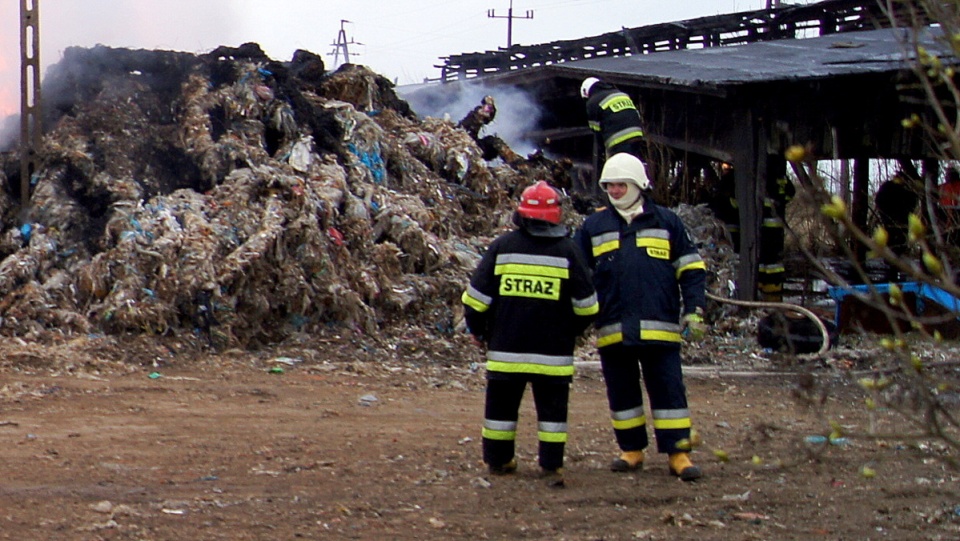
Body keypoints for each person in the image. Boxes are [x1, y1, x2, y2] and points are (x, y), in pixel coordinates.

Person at [574, 152, 707, 482]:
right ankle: (631, 451)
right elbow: (576, 273)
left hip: (660, 329)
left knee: (669, 393)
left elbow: (691, 270)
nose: (615, 191)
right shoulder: (594, 226)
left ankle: (679, 454)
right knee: (622, 394)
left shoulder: (666, 222)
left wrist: (694, 312)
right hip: (614, 329)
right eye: (610, 186)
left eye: (621, 185)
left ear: (638, 185)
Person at [462, 180, 599, 487]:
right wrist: (570, 333)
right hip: (553, 355)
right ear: (557, 215)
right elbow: (588, 307)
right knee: (552, 415)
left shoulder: (502, 247)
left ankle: (498, 461)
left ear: (520, 213)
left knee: (500, 411)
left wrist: (479, 331)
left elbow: (475, 300)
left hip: (505, 351)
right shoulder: (568, 251)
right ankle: (551, 467)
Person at [581, 77, 646, 162]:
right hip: (637, 134)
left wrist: (602, 150)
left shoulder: (592, 102)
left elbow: (597, 131)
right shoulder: (620, 93)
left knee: (618, 168)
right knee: (632, 163)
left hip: (618, 140)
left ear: (586, 93)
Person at [875, 172, 919, 258]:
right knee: (894, 239)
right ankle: (893, 258)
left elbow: (913, 202)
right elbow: (879, 201)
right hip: (892, 218)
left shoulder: (906, 189)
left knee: (898, 240)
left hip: (898, 219)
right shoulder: (889, 187)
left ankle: (895, 258)